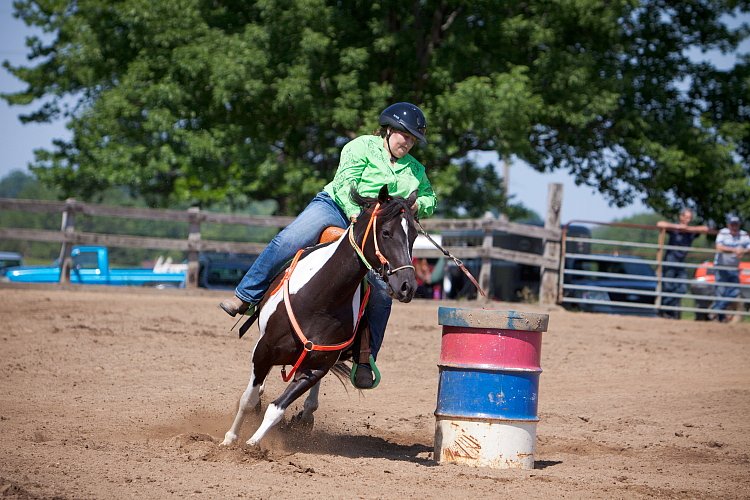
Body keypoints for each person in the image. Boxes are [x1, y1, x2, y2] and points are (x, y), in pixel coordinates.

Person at [219, 102, 437, 388]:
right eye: (403, 135)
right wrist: (354, 214)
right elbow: (347, 184)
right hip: (335, 207)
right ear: (388, 129)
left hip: (371, 226)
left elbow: (431, 198)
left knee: (382, 292)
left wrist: (419, 203)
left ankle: (365, 359)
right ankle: (246, 295)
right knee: (289, 239)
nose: (407, 143)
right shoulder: (361, 147)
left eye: (412, 139)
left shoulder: (416, 170)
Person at [656, 208, 709, 319]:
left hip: (681, 262)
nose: (687, 220)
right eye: (686, 217)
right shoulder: (674, 229)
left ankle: (670, 310)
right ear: (681, 217)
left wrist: (689, 229)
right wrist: (678, 227)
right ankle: (667, 312)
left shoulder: (691, 232)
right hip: (670, 260)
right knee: (668, 286)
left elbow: (705, 228)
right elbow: (660, 224)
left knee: (682, 288)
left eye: (689, 218)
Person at [710, 215, 750, 322]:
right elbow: (718, 247)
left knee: (734, 291)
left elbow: (749, 247)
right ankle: (720, 317)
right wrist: (734, 250)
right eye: (732, 224)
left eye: (736, 224)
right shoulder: (723, 233)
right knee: (721, 291)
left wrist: (743, 251)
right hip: (721, 267)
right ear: (728, 225)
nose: (734, 226)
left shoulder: (743, 235)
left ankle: (716, 310)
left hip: (734, 268)